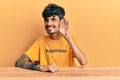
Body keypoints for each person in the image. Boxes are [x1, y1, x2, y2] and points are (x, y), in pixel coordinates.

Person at [15, 3, 87, 73]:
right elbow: (19, 62)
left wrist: (67, 36)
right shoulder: (41, 41)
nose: (48, 23)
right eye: (46, 20)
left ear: (61, 22)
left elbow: (83, 62)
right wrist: (41, 67)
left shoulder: (71, 40)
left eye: (53, 19)